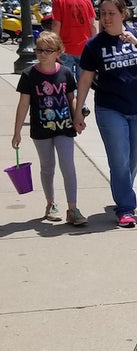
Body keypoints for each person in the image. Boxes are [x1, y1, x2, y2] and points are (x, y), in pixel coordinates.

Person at [72, 0, 137, 228]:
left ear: (123, 14)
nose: (106, 18)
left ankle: (123, 191)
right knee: (119, 161)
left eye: (112, 13)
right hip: (110, 109)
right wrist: (78, 111)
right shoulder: (94, 45)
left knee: (135, 156)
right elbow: (85, 79)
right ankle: (125, 207)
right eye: (103, 13)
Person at [12, 31, 87, 225]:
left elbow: (72, 99)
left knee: (68, 166)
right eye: (39, 50)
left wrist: (77, 117)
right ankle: (50, 203)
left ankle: (73, 208)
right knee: (47, 167)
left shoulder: (65, 72)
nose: (42, 54)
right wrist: (17, 132)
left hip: (64, 127)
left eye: (48, 50)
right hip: (41, 129)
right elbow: (23, 105)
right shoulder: (29, 75)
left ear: (58, 52)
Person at [50, 0, 97, 116]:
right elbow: (93, 25)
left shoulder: (59, 1)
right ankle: (82, 105)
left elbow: (56, 24)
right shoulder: (87, 1)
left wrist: (53, 46)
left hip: (65, 48)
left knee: (68, 82)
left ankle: (73, 107)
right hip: (85, 48)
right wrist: (95, 45)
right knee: (83, 81)